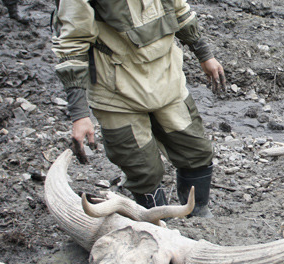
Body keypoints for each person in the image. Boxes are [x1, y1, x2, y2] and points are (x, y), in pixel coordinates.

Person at [52, 0, 226, 217]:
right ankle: (158, 228)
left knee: (196, 151)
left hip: (166, 79)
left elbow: (180, 10)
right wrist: (79, 114)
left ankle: (198, 214)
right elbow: (72, 44)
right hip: (116, 91)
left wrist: (205, 54)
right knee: (143, 169)